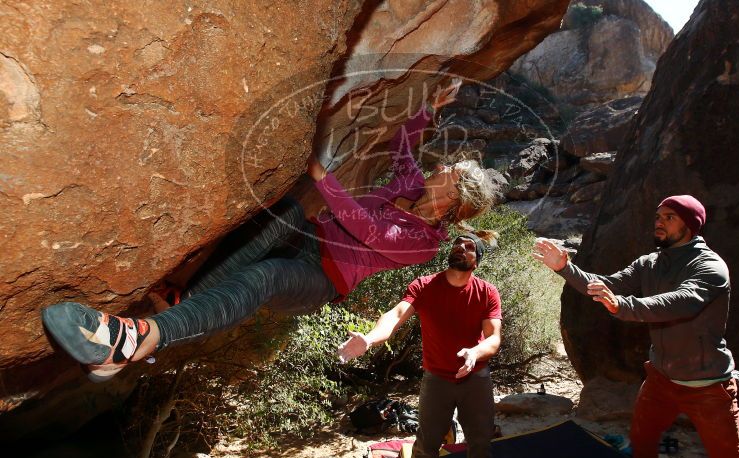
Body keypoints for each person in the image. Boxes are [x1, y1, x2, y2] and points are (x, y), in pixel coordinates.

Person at [41, 80, 502, 382]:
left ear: (453, 199)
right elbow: (403, 145)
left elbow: (368, 232)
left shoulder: (424, 244)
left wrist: (324, 179)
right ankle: (186, 303)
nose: (440, 167)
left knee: (263, 279)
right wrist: (429, 110)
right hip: (310, 237)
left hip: (323, 280)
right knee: (278, 215)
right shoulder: (413, 184)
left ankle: (134, 341)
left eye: (450, 170)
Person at [533, 195, 739, 458]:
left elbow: (680, 302)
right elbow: (605, 286)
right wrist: (564, 267)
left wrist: (623, 306)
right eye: (658, 216)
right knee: (642, 435)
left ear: (690, 224)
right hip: (662, 378)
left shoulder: (709, 267)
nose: (659, 221)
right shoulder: (651, 263)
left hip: (708, 388)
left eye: (669, 216)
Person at [338, 234, 502, 458]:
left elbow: (493, 338)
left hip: (475, 377)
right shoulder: (425, 285)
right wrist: (371, 338)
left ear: (476, 260)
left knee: (480, 441)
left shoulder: (487, 292)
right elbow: (397, 314)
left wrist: (475, 353)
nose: (459, 248)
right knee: (426, 445)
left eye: (468, 247)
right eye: (457, 244)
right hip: (437, 378)